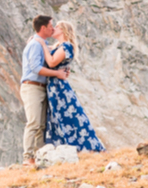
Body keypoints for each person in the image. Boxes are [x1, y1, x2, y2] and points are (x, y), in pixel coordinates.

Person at [42, 20, 105, 153]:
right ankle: (65, 145)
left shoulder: (66, 46)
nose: (54, 28)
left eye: (57, 27)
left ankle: (83, 146)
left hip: (59, 87)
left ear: (64, 30)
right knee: (59, 116)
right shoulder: (59, 46)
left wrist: (42, 44)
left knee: (68, 115)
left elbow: (52, 62)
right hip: (54, 86)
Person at [20, 15, 67, 166]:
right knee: (33, 123)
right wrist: (57, 74)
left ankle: (39, 156)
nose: (53, 29)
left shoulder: (41, 44)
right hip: (32, 86)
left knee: (41, 125)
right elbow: (35, 68)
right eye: (51, 26)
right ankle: (28, 157)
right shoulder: (35, 45)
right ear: (43, 28)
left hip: (41, 87)